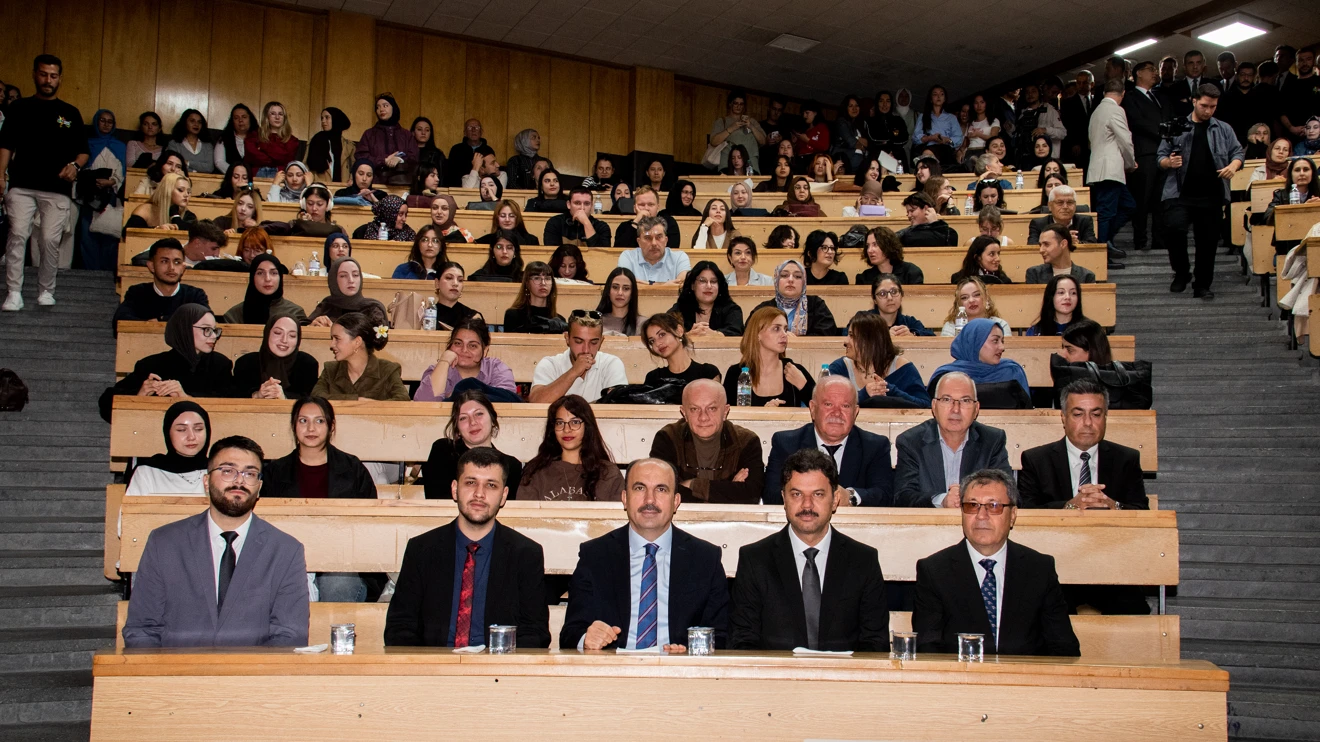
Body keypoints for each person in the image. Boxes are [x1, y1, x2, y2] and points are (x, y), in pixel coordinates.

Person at [122, 435, 308, 648]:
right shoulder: (164, 543)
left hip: (251, 676)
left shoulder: (285, 550)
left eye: (250, 473)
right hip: (177, 675)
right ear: (206, 480)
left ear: (259, 486)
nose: (239, 480)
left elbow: (290, 635)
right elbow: (142, 628)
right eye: (228, 470)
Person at [560, 457, 729, 651]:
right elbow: (570, 633)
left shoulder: (706, 559)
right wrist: (587, 639)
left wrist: (691, 651)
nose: (650, 500)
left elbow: (722, 635)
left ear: (676, 501)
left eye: (661, 489)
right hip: (612, 672)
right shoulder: (595, 555)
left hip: (680, 675)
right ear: (625, 498)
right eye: (640, 488)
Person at [387, 447, 549, 647]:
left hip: (498, 670)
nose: (479, 494)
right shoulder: (421, 550)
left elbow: (536, 632)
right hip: (435, 670)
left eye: (491, 485)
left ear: (504, 495)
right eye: (471, 482)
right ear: (455, 489)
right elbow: (399, 627)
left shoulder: (525, 554)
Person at [732, 448, 889, 651]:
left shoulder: (863, 561)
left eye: (818, 494)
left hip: (844, 680)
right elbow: (742, 641)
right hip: (776, 680)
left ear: (835, 500)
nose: (807, 505)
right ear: (784, 499)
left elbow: (875, 643)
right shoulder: (755, 560)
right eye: (796, 494)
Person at [912, 468, 1080, 656]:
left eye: (993, 506)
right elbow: (927, 647)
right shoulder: (935, 570)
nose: (981, 516)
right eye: (972, 506)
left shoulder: (1039, 568)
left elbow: (1063, 646)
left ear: (1013, 515)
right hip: (960, 680)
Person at [0, 55, 87, 310]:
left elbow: (82, 151)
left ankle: (46, 289)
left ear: (59, 78)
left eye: (53, 75)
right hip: (21, 184)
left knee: (49, 240)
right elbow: (5, 144)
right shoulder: (19, 108)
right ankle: (14, 292)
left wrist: (75, 166)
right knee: (17, 235)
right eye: (43, 74)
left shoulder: (70, 113)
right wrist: (0, 174)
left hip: (57, 187)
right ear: (34, 74)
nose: (48, 80)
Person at [1158, 84, 1245, 299]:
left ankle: (1202, 284)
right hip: (1179, 192)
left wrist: (1233, 166)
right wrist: (1169, 162)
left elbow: (1238, 151)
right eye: (1204, 105)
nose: (1208, 111)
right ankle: (1181, 272)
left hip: (1212, 194)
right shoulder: (1177, 125)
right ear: (1194, 101)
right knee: (1174, 229)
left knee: (1207, 243)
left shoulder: (1223, 128)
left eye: (1213, 107)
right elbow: (1160, 157)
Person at [763, 375, 896, 506]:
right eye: (828, 404)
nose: (836, 413)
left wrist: (850, 497)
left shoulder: (875, 446)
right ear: (813, 408)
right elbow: (772, 495)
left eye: (845, 406)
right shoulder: (785, 443)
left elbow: (884, 495)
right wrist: (811, 498)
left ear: (855, 412)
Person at [98, 304, 237, 422]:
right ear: (184, 329)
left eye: (214, 331)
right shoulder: (151, 365)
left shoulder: (220, 364)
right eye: (206, 330)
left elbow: (231, 404)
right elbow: (107, 402)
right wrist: (139, 396)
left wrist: (186, 398)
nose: (213, 336)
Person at [894, 372, 1012, 508]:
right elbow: (902, 496)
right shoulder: (911, 442)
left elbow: (1008, 494)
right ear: (934, 406)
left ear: (976, 409)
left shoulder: (992, 441)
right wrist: (942, 500)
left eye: (965, 401)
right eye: (946, 399)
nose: (955, 409)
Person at [422, 391, 524, 501]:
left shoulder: (511, 465)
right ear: (458, 429)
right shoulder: (443, 451)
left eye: (479, 414)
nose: (473, 422)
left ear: (492, 420)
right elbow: (437, 501)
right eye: (463, 418)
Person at [520, 395, 625, 500]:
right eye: (560, 423)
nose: (566, 429)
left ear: (587, 426)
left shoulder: (608, 473)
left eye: (575, 422)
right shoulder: (535, 473)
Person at [1085, 78, 1135, 270]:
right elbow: (1125, 140)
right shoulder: (1116, 109)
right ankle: (1102, 250)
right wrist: (1130, 163)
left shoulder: (1096, 111)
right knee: (1107, 213)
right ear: (1122, 94)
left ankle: (1106, 242)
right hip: (1110, 169)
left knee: (1128, 205)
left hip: (1099, 168)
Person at [722, 306, 815, 408]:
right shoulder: (736, 373)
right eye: (776, 329)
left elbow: (822, 410)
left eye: (785, 329)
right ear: (758, 334)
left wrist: (803, 385)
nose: (784, 335)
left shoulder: (794, 371)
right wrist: (764, 414)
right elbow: (726, 417)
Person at [829, 314, 929, 407]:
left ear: (870, 341)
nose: (845, 341)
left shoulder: (902, 368)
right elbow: (829, 403)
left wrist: (891, 390)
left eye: (852, 336)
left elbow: (926, 405)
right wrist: (863, 394)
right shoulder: (840, 368)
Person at [528, 311, 628, 403]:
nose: (586, 350)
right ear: (567, 338)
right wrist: (574, 371)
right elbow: (536, 403)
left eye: (593, 342)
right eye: (579, 342)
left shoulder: (611, 363)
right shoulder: (550, 364)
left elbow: (619, 405)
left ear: (601, 341)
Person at [1120, 61, 1167, 253]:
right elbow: (1138, 122)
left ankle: (1159, 240)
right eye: (1151, 70)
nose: (1155, 73)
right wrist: (1163, 132)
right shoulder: (1130, 97)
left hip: (1161, 154)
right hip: (1144, 153)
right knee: (1142, 199)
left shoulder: (1157, 97)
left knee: (1160, 199)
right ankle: (1140, 240)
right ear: (1139, 73)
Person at [311, 310, 408, 401]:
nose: (332, 345)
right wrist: (357, 401)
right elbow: (316, 398)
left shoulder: (388, 370)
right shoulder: (330, 370)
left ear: (357, 342)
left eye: (337, 339)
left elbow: (402, 400)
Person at [414, 317, 516, 403]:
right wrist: (444, 361)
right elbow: (424, 403)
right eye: (458, 343)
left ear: (485, 351)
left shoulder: (496, 368)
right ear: (450, 346)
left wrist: (453, 396)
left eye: (472, 346)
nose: (464, 350)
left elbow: (508, 401)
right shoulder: (438, 370)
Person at [112, 238, 210, 323]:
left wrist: (161, 320)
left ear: (183, 267)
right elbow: (120, 319)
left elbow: (207, 320)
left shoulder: (195, 295)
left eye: (177, 262)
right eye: (164, 261)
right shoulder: (138, 292)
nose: (171, 268)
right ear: (151, 266)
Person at [123, 401, 211, 496]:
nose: (191, 437)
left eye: (198, 429)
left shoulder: (219, 471)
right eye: (181, 430)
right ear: (168, 433)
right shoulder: (148, 472)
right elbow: (130, 509)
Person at [931, 317, 1029, 397]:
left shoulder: (1011, 371)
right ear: (975, 342)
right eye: (995, 341)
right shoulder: (946, 376)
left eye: (1002, 341)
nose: (1002, 347)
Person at [232, 315, 318, 399]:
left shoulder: (307, 364)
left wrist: (285, 397)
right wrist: (256, 395)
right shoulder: (246, 363)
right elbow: (233, 396)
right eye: (278, 333)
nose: (284, 340)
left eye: (292, 335)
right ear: (267, 333)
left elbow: (310, 399)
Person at [750, 259, 838, 337]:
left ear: (804, 282)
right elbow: (750, 334)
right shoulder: (763, 309)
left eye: (798, 276)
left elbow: (827, 334)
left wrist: (797, 341)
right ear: (776, 280)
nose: (791, 280)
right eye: (784, 275)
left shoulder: (816, 305)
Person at [220, 252, 306, 325]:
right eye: (260, 273)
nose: (267, 278)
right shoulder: (234, 316)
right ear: (252, 277)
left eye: (273, 273)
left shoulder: (295, 313)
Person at [640, 312, 722, 387]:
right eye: (652, 341)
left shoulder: (707, 373)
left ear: (679, 331)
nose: (658, 343)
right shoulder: (653, 378)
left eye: (662, 334)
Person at [306, 257, 388, 328]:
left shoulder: (372, 309)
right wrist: (313, 326)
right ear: (334, 280)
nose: (351, 280)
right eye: (343, 276)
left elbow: (378, 341)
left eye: (355, 275)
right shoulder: (326, 306)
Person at [669, 261, 744, 336]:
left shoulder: (732, 310)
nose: (709, 286)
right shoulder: (679, 309)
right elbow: (666, 332)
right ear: (692, 285)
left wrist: (715, 335)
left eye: (713, 281)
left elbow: (736, 333)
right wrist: (688, 336)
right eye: (702, 281)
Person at [1266, 156, 1320, 255]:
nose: (1302, 173)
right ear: (1291, 174)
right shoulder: (1280, 195)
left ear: (1312, 173)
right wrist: (1303, 208)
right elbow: (1267, 216)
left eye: (1306, 169)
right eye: (1297, 170)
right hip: (1288, 246)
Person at [618, 215, 689, 284]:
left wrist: (646, 285)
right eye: (648, 238)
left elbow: (682, 284)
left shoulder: (679, 257)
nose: (654, 243)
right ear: (639, 242)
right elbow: (625, 283)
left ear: (666, 241)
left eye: (659, 237)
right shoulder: (628, 257)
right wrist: (664, 287)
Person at [856, 274, 934, 337]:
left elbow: (931, 338)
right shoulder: (863, 321)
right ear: (874, 299)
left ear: (901, 295)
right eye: (882, 293)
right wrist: (883, 337)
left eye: (894, 292)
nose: (889, 298)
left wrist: (913, 335)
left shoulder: (910, 322)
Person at [709, 90, 766, 173]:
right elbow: (713, 141)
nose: (738, 106)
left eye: (741, 104)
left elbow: (763, 141)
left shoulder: (752, 121)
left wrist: (751, 126)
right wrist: (731, 128)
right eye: (736, 103)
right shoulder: (722, 121)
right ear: (730, 104)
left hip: (750, 166)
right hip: (728, 165)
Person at [502, 261, 563, 333]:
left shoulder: (560, 321)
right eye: (537, 278)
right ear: (527, 283)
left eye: (547, 278)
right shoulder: (513, 316)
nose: (543, 283)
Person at [1027, 223, 1097, 284]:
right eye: (1040, 245)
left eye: (1046, 244)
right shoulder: (1035, 274)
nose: (1041, 250)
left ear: (1063, 244)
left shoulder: (1087, 276)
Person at [244, 101, 299, 178]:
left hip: (280, 174)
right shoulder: (254, 136)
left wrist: (262, 149)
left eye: (280, 114)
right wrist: (277, 156)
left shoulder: (292, 140)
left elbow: (286, 160)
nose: (277, 117)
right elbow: (251, 157)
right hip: (257, 173)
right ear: (267, 116)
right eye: (273, 114)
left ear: (284, 118)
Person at [1027, 185, 1096, 246]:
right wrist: (1058, 241)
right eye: (1060, 202)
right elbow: (1032, 247)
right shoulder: (1038, 224)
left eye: (1070, 202)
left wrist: (1077, 243)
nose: (1065, 206)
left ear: (1075, 205)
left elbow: (1092, 245)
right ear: (1050, 206)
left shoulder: (1085, 221)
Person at [614, 186, 681, 248]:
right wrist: (636, 222)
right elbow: (618, 252)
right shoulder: (624, 227)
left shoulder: (669, 223)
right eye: (642, 204)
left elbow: (671, 250)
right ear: (634, 208)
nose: (646, 208)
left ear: (657, 207)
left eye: (650, 204)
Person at [857, 226, 924, 286]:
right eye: (868, 246)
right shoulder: (864, 278)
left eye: (875, 244)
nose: (869, 250)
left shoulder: (911, 272)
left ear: (888, 246)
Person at [544, 188, 611, 247]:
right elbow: (552, 253)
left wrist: (586, 223)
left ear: (591, 206)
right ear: (568, 205)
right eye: (577, 203)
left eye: (587, 204)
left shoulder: (602, 227)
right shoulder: (555, 223)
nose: (582, 208)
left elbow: (601, 255)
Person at [305, 107, 355, 183]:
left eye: (327, 118)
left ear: (335, 119)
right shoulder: (315, 141)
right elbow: (305, 166)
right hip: (320, 187)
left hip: (343, 188)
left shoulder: (349, 146)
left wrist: (351, 180)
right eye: (322, 118)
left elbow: (355, 167)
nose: (323, 121)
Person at [1279, 46, 1319, 139]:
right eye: (1301, 60)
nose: (1304, 63)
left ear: (1313, 61)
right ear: (1296, 62)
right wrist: (1291, 128)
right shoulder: (1288, 85)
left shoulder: (1319, 82)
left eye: (1308, 59)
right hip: (1293, 135)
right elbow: (1281, 111)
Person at [1061, 70, 1096, 165]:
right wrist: (1073, 143)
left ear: (1092, 84)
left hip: (1095, 144)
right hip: (1078, 146)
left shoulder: (1098, 101)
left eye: (1084, 83)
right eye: (1079, 83)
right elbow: (1067, 125)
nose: (1081, 85)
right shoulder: (1067, 103)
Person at [446, 118, 494, 187]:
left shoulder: (488, 150)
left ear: (481, 132)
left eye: (477, 127)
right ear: (465, 132)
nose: (473, 130)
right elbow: (450, 173)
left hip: (483, 187)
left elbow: (491, 172)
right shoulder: (456, 149)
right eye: (470, 127)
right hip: (459, 188)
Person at [165, 109, 215, 174]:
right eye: (192, 121)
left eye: (199, 122)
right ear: (184, 122)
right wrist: (195, 171)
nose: (196, 124)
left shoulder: (208, 146)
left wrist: (187, 163)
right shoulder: (174, 144)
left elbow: (209, 168)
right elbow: (175, 167)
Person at [595, 267, 643, 336]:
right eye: (615, 287)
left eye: (626, 288)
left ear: (632, 293)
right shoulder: (595, 322)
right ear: (608, 291)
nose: (620, 293)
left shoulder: (643, 324)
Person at [213, 104, 254, 173]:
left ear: (250, 119)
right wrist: (236, 173)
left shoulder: (259, 139)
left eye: (244, 117)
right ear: (232, 121)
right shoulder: (224, 139)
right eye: (236, 118)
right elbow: (219, 162)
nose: (240, 120)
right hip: (229, 179)